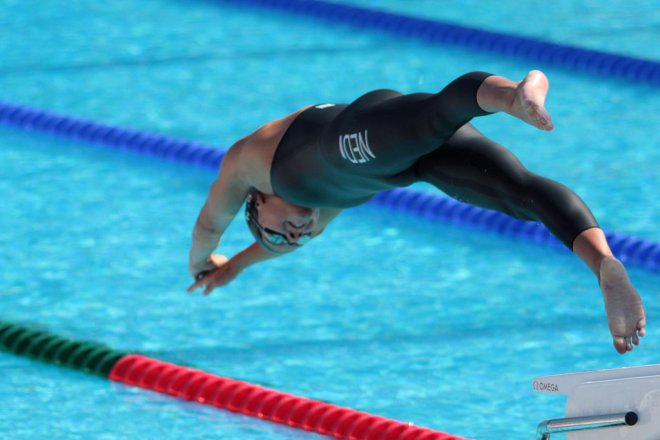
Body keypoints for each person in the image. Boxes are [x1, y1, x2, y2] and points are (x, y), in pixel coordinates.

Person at [186, 70, 646, 355]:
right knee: (518, 194)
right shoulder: (319, 215)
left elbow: (210, 223)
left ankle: (515, 93)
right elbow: (273, 248)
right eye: (296, 242)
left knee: (433, 115)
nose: (295, 234)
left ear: (257, 204)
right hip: (411, 167)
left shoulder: (250, 166)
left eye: (277, 232)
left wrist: (202, 262)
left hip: (354, 137)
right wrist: (238, 267)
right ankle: (604, 263)